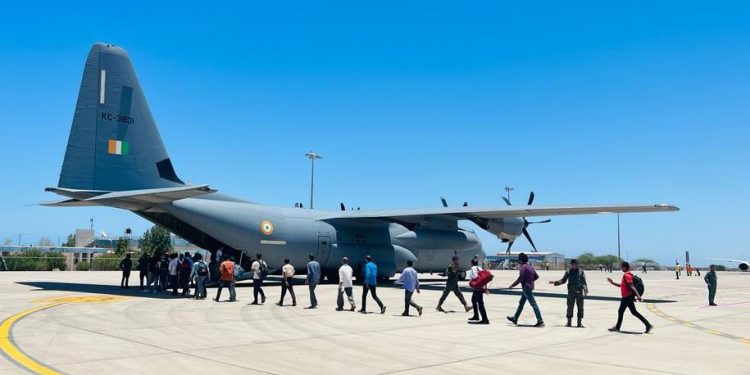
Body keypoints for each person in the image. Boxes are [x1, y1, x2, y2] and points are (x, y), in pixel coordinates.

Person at [607, 262, 653, 333]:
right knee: (633, 312)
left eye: (622, 267)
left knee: (621, 311)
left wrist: (638, 296)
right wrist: (612, 283)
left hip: (627, 297)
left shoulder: (627, 275)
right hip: (627, 297)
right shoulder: (627, 275)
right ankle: (648, 325)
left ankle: (617, 327)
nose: (621, 268)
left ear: (625, 267)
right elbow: (621, 285)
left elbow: (632, 286)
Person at [507, 253, 544, 327]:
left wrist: (512, 285)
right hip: (528, 287)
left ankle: (540, 320)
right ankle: (515, 318)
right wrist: (531, 281)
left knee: (533, 304)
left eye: (519, 259)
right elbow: (536, 276)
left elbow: (520, 278)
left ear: (521, 260)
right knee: (521, 303)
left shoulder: (522, 267)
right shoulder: (530, 267)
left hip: (526, 288)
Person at [549, 259, 588, 327]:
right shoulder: (568, 271)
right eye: (572, 264)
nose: (573, 265)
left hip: (579, 292)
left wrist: (585, 289)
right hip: (571, 292)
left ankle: (579, 323)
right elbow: (563, 280)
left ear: (577, 264)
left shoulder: (581, 271)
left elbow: (584, 282)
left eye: (575, 264)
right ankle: (569, 322)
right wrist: (555, 282)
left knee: (580, 308)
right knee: (570, 307)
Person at [467, 258, 489, 324]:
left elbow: (474, 277)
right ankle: (476, 316)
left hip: (477, 288)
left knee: (480, 304)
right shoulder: (480, 268)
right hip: (481, 287)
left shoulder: (472, 269)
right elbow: (484, 278)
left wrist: (471, 283)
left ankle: (485, 319)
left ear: (471, 263)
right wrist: (485, 288)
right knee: (473, 300)